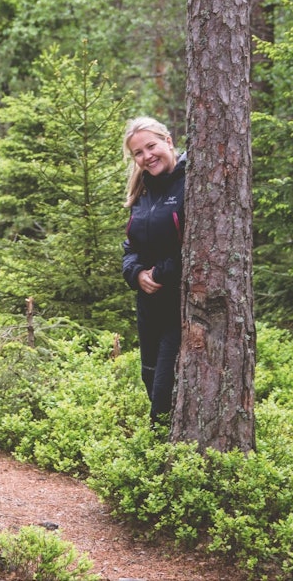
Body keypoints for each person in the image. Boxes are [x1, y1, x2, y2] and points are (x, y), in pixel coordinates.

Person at [121, 116, 185, 424]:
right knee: (149, 377)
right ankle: (159, 450)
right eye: (138, 152)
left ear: (168, 142)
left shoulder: (190, 182)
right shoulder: (142, 191)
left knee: (163, 390)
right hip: (148, 304)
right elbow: (130, 245)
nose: (147, 156)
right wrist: (136, 274)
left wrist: (158, 274)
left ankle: (163, 459)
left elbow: (197, 247)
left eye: (151, 146)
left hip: (180, 304)